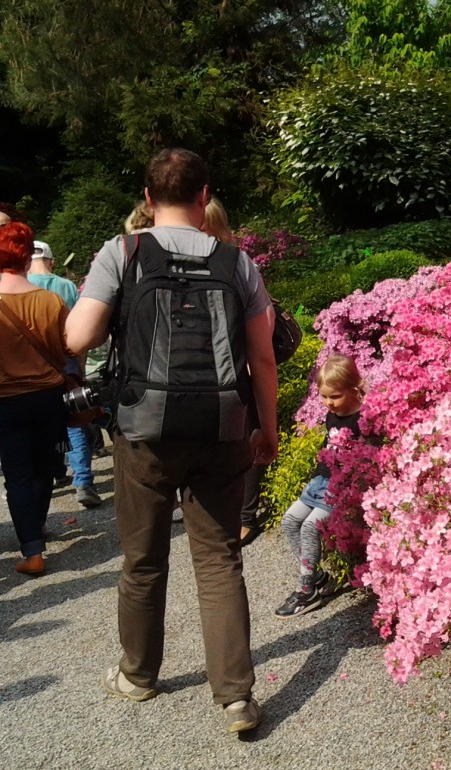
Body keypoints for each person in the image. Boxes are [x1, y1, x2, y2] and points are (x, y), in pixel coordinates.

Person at [66, 147, 278, 734]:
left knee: (142, 560)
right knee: (218, 560)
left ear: (146, 194)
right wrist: (268, 428)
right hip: (222, 430)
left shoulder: (123, 252)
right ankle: (236, 697)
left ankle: (138, 676)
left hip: (143, 433)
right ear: (203, 195)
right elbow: (262, 355)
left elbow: (78, 337)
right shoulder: (237, 263)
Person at [0, 222, 71, 576]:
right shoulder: (51, 300)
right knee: (45, 468)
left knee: (17, 476)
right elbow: (69, 347)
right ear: (28, 257)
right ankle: (38, 525)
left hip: (5, 400)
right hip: (49, 396)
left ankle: (32, 549)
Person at [276, 354, 363, 619]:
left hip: (341, 487)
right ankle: (318, 576)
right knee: (289, 521)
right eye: (324, 397)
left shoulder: (363, 420)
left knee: (310, 527)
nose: (328, 403)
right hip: (320, 482)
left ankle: (306, 590)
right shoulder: (331, 416)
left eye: (334, 396)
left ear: (353, 388)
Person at [202, 197, 259, 543]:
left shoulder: (234, 263)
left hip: (237, 369)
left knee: (243, 440)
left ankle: (246, 515)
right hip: (215, 372)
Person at [29, 240, 101, 508]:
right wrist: (79, 367)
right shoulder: (67, 287)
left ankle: (49, 475)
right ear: (51, 261)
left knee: (39, 428)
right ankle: (83, 483)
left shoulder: (17, 287)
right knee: (76, 426)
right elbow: (77, 332)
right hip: (66, 365)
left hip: (32, 371)